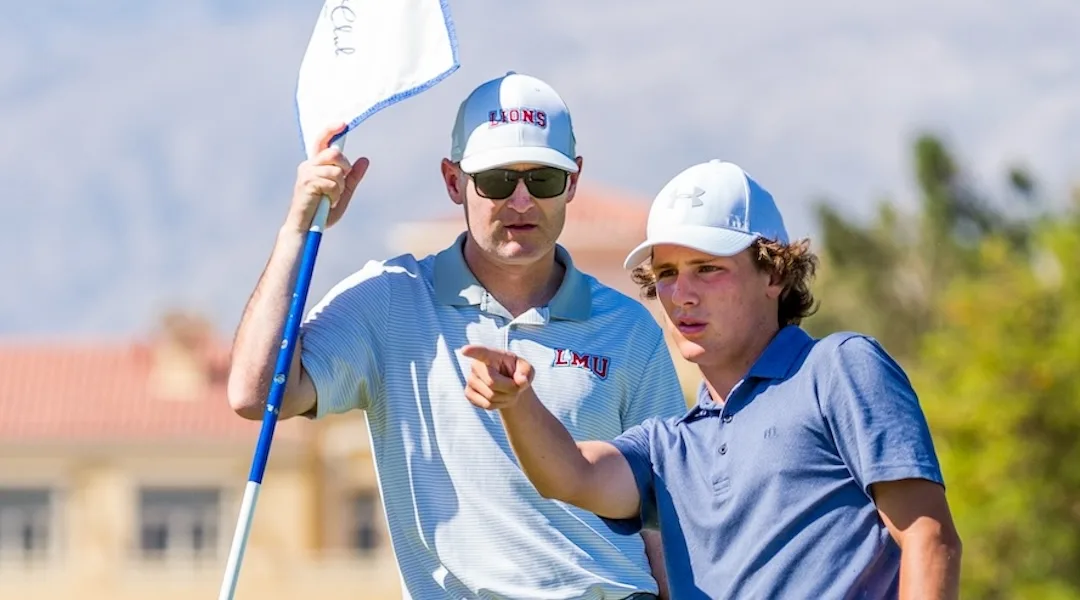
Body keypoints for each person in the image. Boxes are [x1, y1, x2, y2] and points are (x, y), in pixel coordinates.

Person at [226, 71, 688, 600]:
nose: (520, 203)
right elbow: (255, 393)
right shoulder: (389, 298)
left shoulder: (629, 329)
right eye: (495, 181)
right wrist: (297, 230)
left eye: (542, 180)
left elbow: (666, 518)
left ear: (573, 181)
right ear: (453, 181)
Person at [461, 159, 964, 599]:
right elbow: (569, 475)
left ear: (774, 275)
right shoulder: (669, 444)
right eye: (668, 273)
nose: (682, 294)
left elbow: (928, 537)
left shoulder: (839, 369)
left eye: (707, 269)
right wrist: (516, 402)